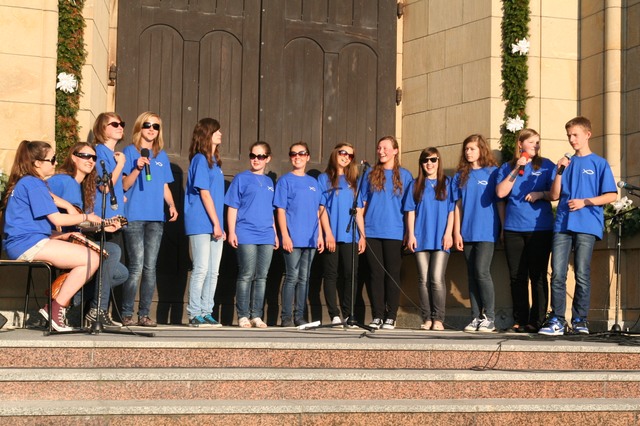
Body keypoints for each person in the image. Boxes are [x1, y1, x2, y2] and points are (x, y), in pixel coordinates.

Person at [1, 140, 101, 331]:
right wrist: (86, 216)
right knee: (91, 259)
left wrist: (62, 236)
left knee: (88, 257)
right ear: (37, 163)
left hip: (25, 242)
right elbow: (56, 218)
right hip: (27, 244)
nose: (56, 163)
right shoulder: (33, 183)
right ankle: (56, 309)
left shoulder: (29, 182)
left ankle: (55, 307)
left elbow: (31, 225)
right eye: (52, 159)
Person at [538, 116, 617, 336]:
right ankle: (557, 319)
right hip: (562, 224)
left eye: (575, 135)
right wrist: (559, 171)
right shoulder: (565, 163)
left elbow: (611, 195)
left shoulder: (599, 163)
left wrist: (585, 202)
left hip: (587, 224)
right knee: (557, 274)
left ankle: (580, 319)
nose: (572, 139)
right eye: (569, 136)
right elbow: (554, 195)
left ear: (587, 135)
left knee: (582, 273)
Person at [48, 142, 129, 328]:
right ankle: (97, 310)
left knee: (121, 273)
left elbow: (78, 222)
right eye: (85, 156)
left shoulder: (83, 186)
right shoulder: (63, 180)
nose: (91, 160)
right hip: (60, 240)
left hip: (76, 239)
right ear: (73, 158)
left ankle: (69, 297)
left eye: (93, 157)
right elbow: (40, 193)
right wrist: (64, 208)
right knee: (113, 251)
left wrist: (102, 226)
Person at [121, 112, 178, 327]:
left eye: (156, 126)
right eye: (147, 125)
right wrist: (137, 167)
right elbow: (124, 185)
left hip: (156, 218)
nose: (152, 129)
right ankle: (127, 313)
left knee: (150, 267)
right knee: (136, 266)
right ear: (139, 127)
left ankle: (144, 314)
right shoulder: (129, 151)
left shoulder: (161, 156)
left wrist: (171, 205)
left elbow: (164, 185)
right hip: (135, 216)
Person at [496, 129, 554, 333]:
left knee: (538, 275)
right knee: (517, 276)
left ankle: (537, 321)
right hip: (513, 228)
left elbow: (556, 193)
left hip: (539, 228)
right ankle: (519, 319)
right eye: (531, 142)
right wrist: (516, 169)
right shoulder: (507, 167)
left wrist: (541, 194)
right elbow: (501, 193)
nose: (536, 146)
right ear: (520, 144)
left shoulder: (546, 165)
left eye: (538, 142)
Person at [453, 134, 503, 333]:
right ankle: (475, 316)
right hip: (467, 231)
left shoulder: (493, 172)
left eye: (472, 148)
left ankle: (489, 317)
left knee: (482, 271)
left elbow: (500, 202)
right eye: (466, 149)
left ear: (482, 150)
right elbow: (457, 206)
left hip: (487, 231)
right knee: (472, 274)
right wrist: (457, 232)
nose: (468, 152)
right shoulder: (461, 175)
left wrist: (502, 228)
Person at [225, 141, 278, 328]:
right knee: (246, 274)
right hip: (246, 231)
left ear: (267, 159)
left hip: (266, 234)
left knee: (261, 276)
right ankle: (243, 315)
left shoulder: (270, 182)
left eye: (260, 156)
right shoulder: (241, 178)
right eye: (253, 156)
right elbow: (232, 206)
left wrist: (275, 234)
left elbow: (271, 210)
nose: (256, 159)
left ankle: (256, 315)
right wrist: (231, 231)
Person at [362, 136, 413, 330]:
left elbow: (409, 208)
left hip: (395, 231)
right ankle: (377, 315)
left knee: (392, 274)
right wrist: (361, 232)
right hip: (372, 231)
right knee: (376, 274)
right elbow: (362, 204)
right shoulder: (370, 174)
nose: (381, 151)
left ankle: (391, 316)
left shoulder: (405, 176)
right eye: (379, 148)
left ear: (395, 151)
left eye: (385, 148)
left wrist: (409, 233)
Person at [274, 141, 324, 327]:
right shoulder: (285, 181)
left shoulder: (314, 183)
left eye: (301, 153)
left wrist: (320, 235)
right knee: (292, 277)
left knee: (304, 278)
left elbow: (318, 211)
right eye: (293, 154)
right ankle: (286, 317)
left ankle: (299, 316)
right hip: (293, 238)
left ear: (308, 157)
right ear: (290, 157)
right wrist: (285, 235)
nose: (297, 157)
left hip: (310, 239)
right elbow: (280, 210)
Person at [404, 147, 454, 331]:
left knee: (436, 278)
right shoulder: (415, 184)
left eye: (433, 160)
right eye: (425, 160)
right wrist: (411, 234)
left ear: (439, 161)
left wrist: (449, 233)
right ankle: (427, 318)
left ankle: (438, 318)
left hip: (441, 238)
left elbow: (452, 211)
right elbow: (410, 211)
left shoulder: (447, 183)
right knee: (423, 279)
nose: (429, 164)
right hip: (420, 237)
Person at [317, 143, 366, 326]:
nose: (346, 157)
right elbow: (321, 208)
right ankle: (334, 315)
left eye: (350, 155)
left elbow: (358, 211)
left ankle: (348, 313)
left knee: (351, 274)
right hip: (332, 234)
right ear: (335, 153)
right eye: (343, 153)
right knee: (331, 274)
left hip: (351, 235)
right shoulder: (324, 178)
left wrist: (362, 236)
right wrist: (328, 233)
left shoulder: (354, 180)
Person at [183, 118, 226, 327]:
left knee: (213, 271)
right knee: (201, 268)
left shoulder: (215, 162)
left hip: (215, 223)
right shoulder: (200, 160)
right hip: (201, 221)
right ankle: (194, 313)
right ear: (207, 134)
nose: (220, 134)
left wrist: (219, 225)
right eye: (216, 131)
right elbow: (205, 194)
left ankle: (207, 311)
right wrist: (217, 224)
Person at [92, 112, 127, 222]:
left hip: (116, 214)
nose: (120, 127)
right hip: (104, 216)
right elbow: (105, 187)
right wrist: (120, 165)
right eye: (115, 124)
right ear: (102, 128)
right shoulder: (99, 152)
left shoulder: (113, 154)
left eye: (122, 124)